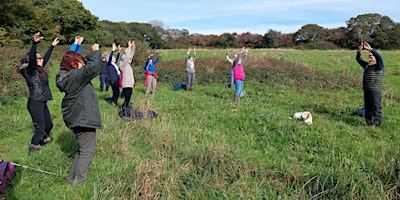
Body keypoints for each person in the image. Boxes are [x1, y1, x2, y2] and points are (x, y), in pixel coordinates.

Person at [55, 37, 102, 184]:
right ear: (74, 64)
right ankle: (79, 184)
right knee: (87, 152)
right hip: (83, 119)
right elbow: (94, 67)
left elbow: (85, 64)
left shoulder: (66, 76)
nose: (83, 63)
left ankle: (71, 181)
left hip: (75, 118)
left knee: (82, 150)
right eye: (80, 61)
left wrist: (79, 50)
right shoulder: (76, 76)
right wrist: (96, 52)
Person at [18, 32, 59, 154]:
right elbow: (32, 60)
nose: (41, 59)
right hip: (35, 102)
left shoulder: (39, 69)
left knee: (49, 126)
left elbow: (45, 59)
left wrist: (52, 46)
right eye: (39, 58)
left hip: (42, 102)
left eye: (41, 58)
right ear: (32, 61)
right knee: (40, 129)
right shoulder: (30, 71)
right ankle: (33, 152)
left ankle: (40, 144)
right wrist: (34, 43)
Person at [356, 42, 384, 127]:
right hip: (367, 90)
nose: (369, 59)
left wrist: (371, 49)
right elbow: (358, 59)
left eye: (371, 57)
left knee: (375, 107)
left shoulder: (379, 66)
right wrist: (359, 51)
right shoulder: (368, 66)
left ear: (375, 59)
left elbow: (379, 57)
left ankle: (377, 124)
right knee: (368, 108)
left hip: (375, 91)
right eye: (369, 57)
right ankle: (369, 123)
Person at [119, 41, 136, 107]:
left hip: (129, 84)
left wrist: (133, 47)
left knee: (128, 98)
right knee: (127, 97)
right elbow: (127, 57)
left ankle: (125, 107)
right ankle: (124, 108)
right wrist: (129, 47)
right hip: (126, 84)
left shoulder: (128, 65)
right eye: (128, 58)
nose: (130, 59)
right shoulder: (123, 65)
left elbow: (131, 54)